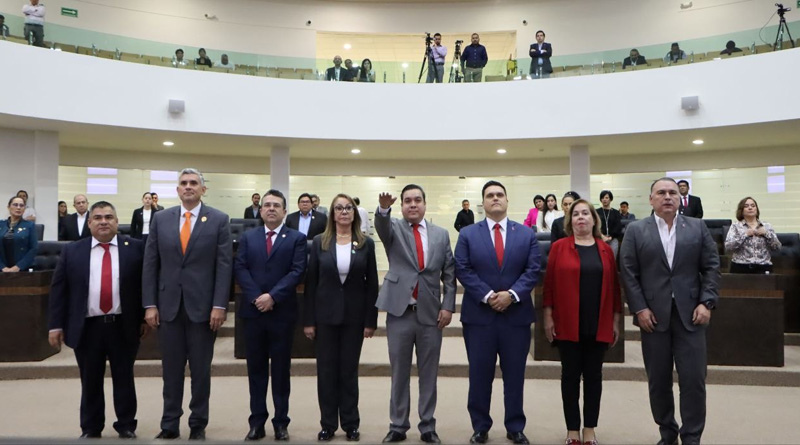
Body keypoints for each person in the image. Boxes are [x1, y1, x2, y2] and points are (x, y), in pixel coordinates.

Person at [620, 177, 720, 445]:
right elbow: (629, 273)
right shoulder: (635, 230)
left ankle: (691, 437)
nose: (667, 197)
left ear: (680, 198)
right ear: (651, 199)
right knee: (658, 380)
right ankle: (667, 433)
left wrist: (706, 302)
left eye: (672, 193)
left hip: (692, 315)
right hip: (652, 317)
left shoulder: (697, 227)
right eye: (661, 192)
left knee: (694, 380)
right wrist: (639, 308)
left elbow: (711, 267)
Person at [143, 168, 232, 441]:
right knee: (170, 371)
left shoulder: (218, 219)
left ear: (203, 189)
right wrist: (149, 304)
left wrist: (220, 305)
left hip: (203, 310)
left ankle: (197, 424)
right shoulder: (161, 219)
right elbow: (151, 263)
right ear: (177, 190)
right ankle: (169, 423)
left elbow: (224, 266)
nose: (188, 187)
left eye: (194, 183)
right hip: (168, 306)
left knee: (200, 371)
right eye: (183, 183)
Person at [48, 201, 145, 439]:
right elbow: (59, 291)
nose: (104, 221)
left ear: (116, 221)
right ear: (89, 222)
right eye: (98, 217)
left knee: (124, 378)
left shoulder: (135, 248)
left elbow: (144, 286)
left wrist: (145, 316)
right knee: (90, 380)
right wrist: (55, 325)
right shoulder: (72, 251)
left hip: (122, 324)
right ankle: (91, 427)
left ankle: (126, 424)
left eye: (109, 217)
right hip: (87, 327)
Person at [454, 180, 540, 445]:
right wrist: (489, 295)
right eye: (490, 195)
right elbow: (463, 269)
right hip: (480, 317)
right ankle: (480, 426)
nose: (495, 199)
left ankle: (515, 426)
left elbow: (533, 270)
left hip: (516, 317)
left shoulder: (526, 234)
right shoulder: (468, 234)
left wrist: (511, 295)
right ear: (484, 202)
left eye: (499, 194)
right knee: (480, 375)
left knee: (515, 375)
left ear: (507, 200)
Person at [374, 185, 456, 444]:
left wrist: (447, 305)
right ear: (401, 207)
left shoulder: (441, 235)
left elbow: (450, 276)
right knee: (399, 372)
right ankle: (398, 425)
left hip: (431, 314)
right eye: (407, 201)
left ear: (425, 204)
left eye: (417, 200)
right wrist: (383, 209)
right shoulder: (394, 229)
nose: (412, 204)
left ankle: (428, 426)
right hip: (400, 312)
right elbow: (381, 225)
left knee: (428, 372)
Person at [543, 199, 622, 445]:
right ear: (570, 220)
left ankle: (589, 429)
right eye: (575, 214)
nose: (580, 218)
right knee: (569, 376)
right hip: (567, 322)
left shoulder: (605, 249)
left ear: (594, 219)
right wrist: (547, 317)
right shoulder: (558, 247)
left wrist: (616, 320)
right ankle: (572, 431)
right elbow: (549, 286)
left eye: (585, 213)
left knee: (593, 377)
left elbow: (614, 288)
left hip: (598, 322)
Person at [303, 194, 378, 442]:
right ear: (332, 214)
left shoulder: (365, 243)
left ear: (355, 213)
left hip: (354, 318)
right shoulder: (319, 242)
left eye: (348, 208)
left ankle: (350, 424)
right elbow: (311, 284)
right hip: (324, 317)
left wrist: (370, 321)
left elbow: (372, 286)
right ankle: (327, 424)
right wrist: (309, 320)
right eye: (339, 208)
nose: (344, 212)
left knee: (348, 372)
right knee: (326, 372)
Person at [234, 189, 307, 442]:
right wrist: (257, 297)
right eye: (267, 205)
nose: (271, 208)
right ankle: (256, 422)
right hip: (253, 313)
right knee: (255, 370)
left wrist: (272, 296)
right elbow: (240, 268)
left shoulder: (296, 238)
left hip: (281, 313)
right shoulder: (248, 237)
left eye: (277, 205)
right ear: (261, 210)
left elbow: (297, 271)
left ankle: (281, 423)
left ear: (285, 211)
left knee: (280, 371)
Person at [724, 197, 781, 274]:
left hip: (763, 267)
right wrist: (745, 235)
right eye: (746, 206)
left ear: (756, 209)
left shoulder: (766, 226)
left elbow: (777, 247)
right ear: (741, 210)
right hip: (740, 267)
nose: (750, 208)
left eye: (753, 206)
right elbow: (728, 247)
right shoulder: (736, 226)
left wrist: (766, 234)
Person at [1, 196, 38, 273]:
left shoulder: (29, 225)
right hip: (2, 270)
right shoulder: (1, 224)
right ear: (8, 207)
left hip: (22, 270)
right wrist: (2, 267)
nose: (18, 207)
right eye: (15, 205)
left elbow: (33, 248)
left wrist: (18, 267)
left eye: (21, 205)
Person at [597, 190, 623, 257]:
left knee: (612, 259)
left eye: (606, 198)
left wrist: (610, 237)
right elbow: (595, 225)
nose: (604, 200)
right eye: (602, 198)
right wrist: (602, 236)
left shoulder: (616, 212)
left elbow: (618, 226)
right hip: (600, 238)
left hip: (613, 239)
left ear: (610, 199)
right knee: (601, 259)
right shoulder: (596, 212)